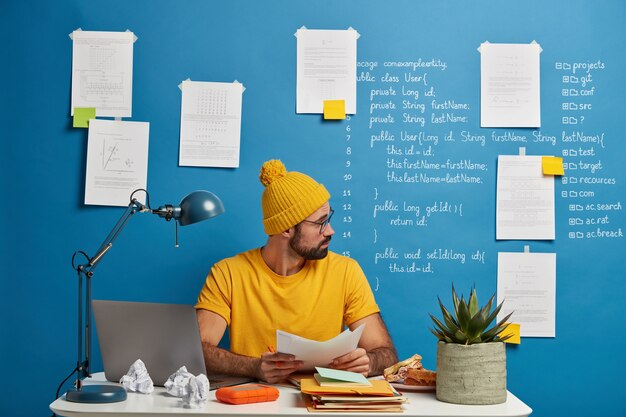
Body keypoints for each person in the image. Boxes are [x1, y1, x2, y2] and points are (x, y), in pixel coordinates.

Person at [196, 159, 398, 383]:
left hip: (323, 401)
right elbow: (197, 349)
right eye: (320, 222)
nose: (330, 230)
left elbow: (386, 353)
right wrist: (254, 367)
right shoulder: (228, 273)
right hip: (256, 402)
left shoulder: (346, 271)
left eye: (328, 217)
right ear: (286, 228)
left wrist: (368, 362)